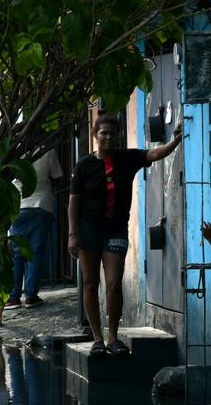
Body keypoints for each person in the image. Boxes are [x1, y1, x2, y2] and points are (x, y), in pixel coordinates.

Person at [68, 114, 183, 355]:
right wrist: (72, 234)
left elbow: (153, 154)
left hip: (116, 229)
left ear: (118, 135)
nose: (108, 137)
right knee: (90, 283)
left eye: (112, 133)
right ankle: (97, 338)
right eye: (103, 133)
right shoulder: (84, 166)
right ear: (95, 135)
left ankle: (113, 338)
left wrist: (174, 142)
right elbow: (74, 202)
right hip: (88, 230)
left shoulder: (128, 159)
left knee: (113, 283)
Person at [7, 148, 63, 309]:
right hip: (42, 205)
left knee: (17, 254)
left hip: (18, 206)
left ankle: (13, 296)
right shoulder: (48, 151)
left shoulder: (15, 151)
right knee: (36, 253)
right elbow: (58, 177)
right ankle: (31, 296)